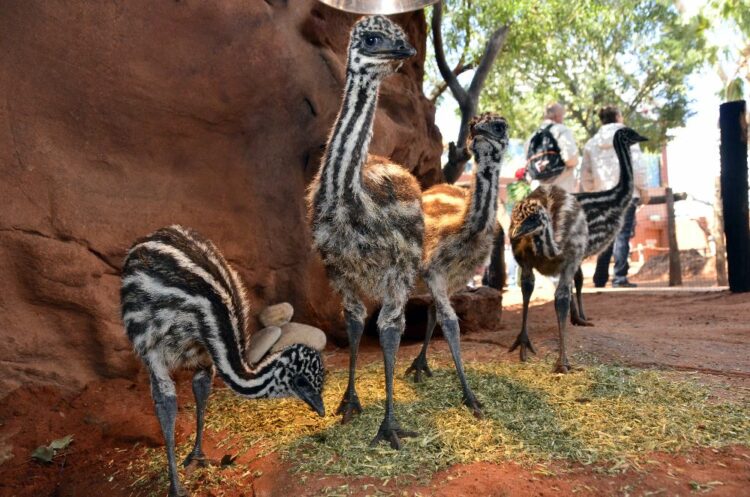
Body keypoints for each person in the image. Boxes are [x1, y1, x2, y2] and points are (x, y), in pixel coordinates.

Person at [580, 105, 650, 288]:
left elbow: (585, 174)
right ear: (618, 117)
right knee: (622, 234)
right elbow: (638, 166)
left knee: (605, 235)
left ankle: (600, 277)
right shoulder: (627, 137)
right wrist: (644, 190)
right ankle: (619, 277)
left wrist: (591, 193)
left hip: (601, 196)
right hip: (626, 194)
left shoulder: (591, 143)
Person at [526, 102, 580, 192]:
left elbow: (528, 165)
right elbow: (571, 158)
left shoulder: (532, 137)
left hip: (538, 191)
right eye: (563, 115)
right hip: (560, 190)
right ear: (557, 116)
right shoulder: (561, 130)